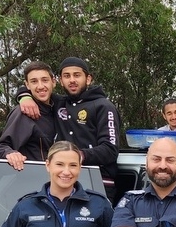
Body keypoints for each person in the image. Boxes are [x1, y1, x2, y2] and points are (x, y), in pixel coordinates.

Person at [18, 57, 121, 201]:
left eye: (77, 75)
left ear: (88, 79)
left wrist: (77, 156)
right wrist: (24, 97)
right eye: (67, 76)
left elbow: (110, 149)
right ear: (60, 80)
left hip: (97, 182)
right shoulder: (58, 103)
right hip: (62, 182)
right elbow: (36, 88)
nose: (72, 80)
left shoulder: (104, 106)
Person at [0, 61, 56, 169]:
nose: (40, 86)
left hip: (64, 179)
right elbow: (1, 147)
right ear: (27, 85)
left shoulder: (61, 108)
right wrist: (10, 153)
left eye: (45, 80)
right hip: (33, 178)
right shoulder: (23, 113)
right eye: (34, 81)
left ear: (53, 82)